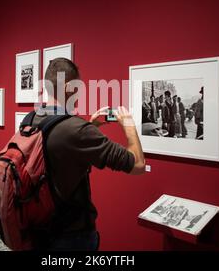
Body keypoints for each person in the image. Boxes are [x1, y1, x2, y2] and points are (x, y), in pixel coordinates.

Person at [31, 58, 145, 250]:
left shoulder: (32, 119)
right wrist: (129, 125)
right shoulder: (76, 129)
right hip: (70, 237)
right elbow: (137, 165)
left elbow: (60, 158)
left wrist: (91, 128)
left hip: (38, 228)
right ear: (68, 87)